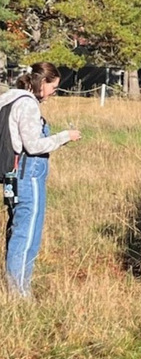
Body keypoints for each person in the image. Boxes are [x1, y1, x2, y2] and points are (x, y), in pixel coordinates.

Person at [0, 63, 81, 296]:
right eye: (53, 87)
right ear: (42, 83)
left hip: (12, 177)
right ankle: (19, 294)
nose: (54, 92)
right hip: (28, 176)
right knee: (27, 235)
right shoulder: (27, 105)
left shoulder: (8, 98)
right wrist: (65, 136)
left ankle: (15, 288)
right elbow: (33, 145)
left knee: (16, 230)